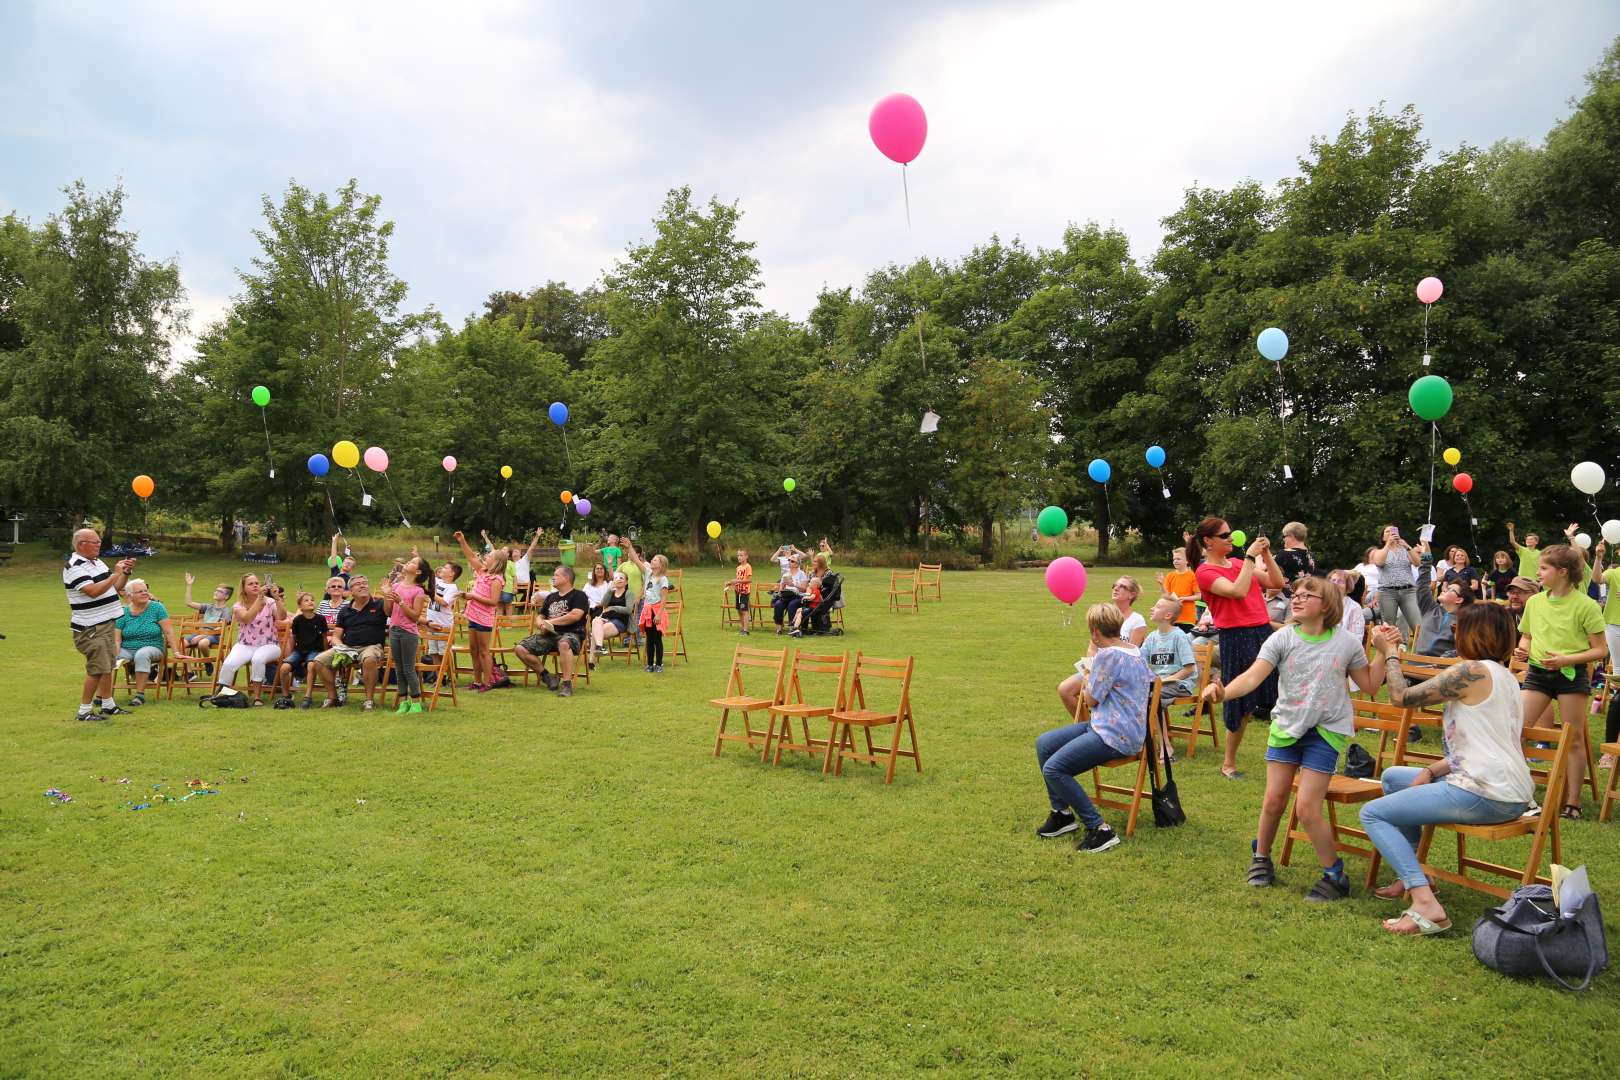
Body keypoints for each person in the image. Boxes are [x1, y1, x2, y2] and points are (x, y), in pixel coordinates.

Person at [1204, 576, 1387, 901]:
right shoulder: (1283, 638)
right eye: (1296, 595)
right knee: (1273, 800)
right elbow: (1252, 676)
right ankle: (1261, 857)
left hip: (1325, 731)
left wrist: (1384, 652)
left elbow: (1371, 685)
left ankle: (1335, 876)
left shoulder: (1345, 642)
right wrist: (1222, 692)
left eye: (1307, 595)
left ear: (1327, 605)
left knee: (1306, 808)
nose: (1297, 599)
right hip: (1287, 726)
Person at [1359, 605, 1534, 936]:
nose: (1453, 633)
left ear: (1473, 633)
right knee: (1394, 777)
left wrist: (1391, 652)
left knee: (1373, 814)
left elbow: (1401, 696)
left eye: (1458, 627)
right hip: (1507, 788)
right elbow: (1486, 741)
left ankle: (1426, 905)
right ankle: (1412, 875)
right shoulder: (1504, 676)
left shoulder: (1472, 671)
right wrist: (1432, 768)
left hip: (1485, 791)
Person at [1034, 603, 1154, 853]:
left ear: (1095, 632)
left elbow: (1090, 700)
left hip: (1115, 735)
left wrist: (1088, 676)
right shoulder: (1133, 649)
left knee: (1054, 769)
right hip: (1110, 726)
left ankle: (1100, 829)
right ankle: (1062, 815)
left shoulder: (1108, 656)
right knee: (1044, 743)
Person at [1514, 544, 1608, 819]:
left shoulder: (1587, 605)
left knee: (1574, 739)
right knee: (1514, 727)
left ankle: (1573, 803)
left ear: (1563, 572)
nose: (1538, 572)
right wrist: (1523, 648)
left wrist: (1567, 660)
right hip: (1538, 675)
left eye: (1544, 568)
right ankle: (1521, 791)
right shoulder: (1535, 602)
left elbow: (1600, 650)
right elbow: (1527, 636)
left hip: (1571, 676)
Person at [1190, 518, 1286, 780]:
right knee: (1240, 703)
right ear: (1208, 541)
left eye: (1230, 533)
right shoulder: (1205, 572)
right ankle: (1228, 763)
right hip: (1236, 637)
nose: (1231, 538)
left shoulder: (1236, 564)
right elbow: (1237, 591)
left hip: (1262, 632)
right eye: (1224, 535)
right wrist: (1251, 558)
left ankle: (1290, 757)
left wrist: (1266, 553)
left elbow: (1276, 582)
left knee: (1281, 695)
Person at [64, 529, 136, 720]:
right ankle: (84, 711)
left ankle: (108, 705)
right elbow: (93, 591)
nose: (99, 545)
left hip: (106, 623)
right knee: (96, 668)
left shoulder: (96, 562)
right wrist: (114, 574)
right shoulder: (74, 566)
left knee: (107, 665)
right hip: (91, 627)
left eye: (99, 542)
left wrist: (125, 573)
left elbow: (115, 587)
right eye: (94, 542)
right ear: (81, 544)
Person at [313, 574, 389, 709]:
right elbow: (336, 636)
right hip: (348, 647)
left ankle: (369, 700)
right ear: (350, 591)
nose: (363, 585)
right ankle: (333, 697)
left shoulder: (379, 604)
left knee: (369, 658)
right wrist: (341, 646)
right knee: (319, 660)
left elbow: (390, 612)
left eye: (365, 583)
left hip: (371, 646)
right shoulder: (345, 610)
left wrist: (388, 594)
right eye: (358, 584)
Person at [515, 565, 590, 697]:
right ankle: (547, 676)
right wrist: (541, 624)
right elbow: (540, 616)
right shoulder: (551, 597)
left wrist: (550, 622)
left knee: (564, 643)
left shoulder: (579, 595)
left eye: (556, 575)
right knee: (520, 648)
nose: (553, 577)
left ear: (566, 578)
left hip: (572, 634)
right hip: (549, 635)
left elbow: (575, 615)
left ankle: (567, 684)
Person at [217, 573, 287, 706]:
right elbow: (247, 618)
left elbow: (282, 617)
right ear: (243, 588)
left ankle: (257, 697)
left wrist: (277, 598)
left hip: (270, 644)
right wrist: (259, 599)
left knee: (258, 659)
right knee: (229, 664)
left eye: (257, 583)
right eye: (250, 584)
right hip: (245, 644)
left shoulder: (270, 602)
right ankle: (221, 694)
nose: (255, 585)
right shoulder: (238, 606)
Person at [113, 578, 182, 707]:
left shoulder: (157, 607)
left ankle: (139, 695)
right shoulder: (123, 611)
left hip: (153, 647)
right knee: (106, 658)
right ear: (130, 595)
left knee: (142, 654)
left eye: (146, 590)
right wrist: (115, 654)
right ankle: (102, 697)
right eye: (140, 591)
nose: (145, 593)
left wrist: (176, 652)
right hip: (127, 648)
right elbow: (117, 638)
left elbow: (169, 632)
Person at [453, 532, 509, 691]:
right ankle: (477, 681)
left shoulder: (497, 580)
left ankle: (488, 682)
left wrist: (472, 596)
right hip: (473, 616)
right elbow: (471, 558)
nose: (486, 557)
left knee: (484, 651)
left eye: (489, 555)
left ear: (496, 561)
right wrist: (462, 541)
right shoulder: (483, 572)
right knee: (473, 650)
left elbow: (493, 602)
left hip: (484, 619)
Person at [380, 557, 431, 714]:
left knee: (408, 668)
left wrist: (401, 602)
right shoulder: (396, 586)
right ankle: (403, 702)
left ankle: (416, 702)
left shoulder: (418, 591)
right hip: (394, 630)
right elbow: (388, 611)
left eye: (412, 562)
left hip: (408, 633)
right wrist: (388, 595)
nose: (408, 562)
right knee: (399, 668)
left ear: (417, 571)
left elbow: (415, 616)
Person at [1414, 541, 1475, 657]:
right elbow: (1422, 585)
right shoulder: (1430, 609)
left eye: (1450, 589)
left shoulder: (1465, 621)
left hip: (1443, 670)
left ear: (1459, 600)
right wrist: (1426, 558)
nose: (1445, 589)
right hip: (1415, 666)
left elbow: (1470, 650)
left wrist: (1453, 655)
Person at [1590, 542, 1620, 770]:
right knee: (1619, 685)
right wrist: (1598, 558)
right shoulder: (1614, 572)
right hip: (1614, 625)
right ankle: (1610, 752)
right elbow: (1597, 579)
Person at [626, 536, 673, 673]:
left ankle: (658, 664)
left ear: (661, 565)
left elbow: (664, 598)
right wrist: (629, 546)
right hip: (647, 609)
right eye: (652, 560)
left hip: (657, 610)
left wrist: (658, 614)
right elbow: (635, 559)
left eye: (655, 560)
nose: (652, 561)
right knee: (649, 638)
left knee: (657, 639)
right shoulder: (647, 574)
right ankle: (649, 664)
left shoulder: (663, 579)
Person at [275, 591, 328, 709]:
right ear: (300, 606)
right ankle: (286, 696)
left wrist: (325, 652)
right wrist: (292, 653)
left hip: (315, 650)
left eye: (312, 600)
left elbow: (324, 637)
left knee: (311, 665)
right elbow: (293, 638)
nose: (310, 602)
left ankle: (307, 696)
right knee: (284, 668)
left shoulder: (320, 619)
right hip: (299, 651)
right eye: (306, 600)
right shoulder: (298, 620)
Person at [1371, 525, 1423, 639]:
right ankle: (1391, 652)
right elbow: (1379, 562)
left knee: (1418, 623)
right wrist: (1388, 544)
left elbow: (1418, 563)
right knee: (1389, 626)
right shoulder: (1377, 551)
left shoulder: (1405, 549)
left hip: (1409, 591)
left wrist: (1407, 546)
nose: (1390, 533)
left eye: (1393, 531)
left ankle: (1425, 652)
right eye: (1387, 532)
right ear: (1383, 537)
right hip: (1387, 592)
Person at [181, 573, 233, 668]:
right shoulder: (208, 607)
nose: (215, 592)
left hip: (214, 636)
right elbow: (189, 603)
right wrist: (189, 585)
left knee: (202, 643)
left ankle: (207, 662)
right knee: (181, 644)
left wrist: (202, 636)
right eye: (216, 590)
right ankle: (189, 672)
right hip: (199, 633)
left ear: (226, 597)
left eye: (219, 591)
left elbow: (219, 628)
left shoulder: (226, 611)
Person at [425, 561, 462, 669]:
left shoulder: (453, 588)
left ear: (452, 574)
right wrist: (416, 556)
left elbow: (444, 602)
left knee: (443, 652)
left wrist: (430, 593)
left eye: (446, 568)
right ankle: (439, 677)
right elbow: (428, 572)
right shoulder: (438, 581)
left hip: (443, 625)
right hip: (431, 623)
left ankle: (449, 675)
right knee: (433, 651)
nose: (442, 568)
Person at [592, 570, 636, 658]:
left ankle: (591, 661)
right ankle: (599, 648)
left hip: (620, 621)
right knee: (596, 621)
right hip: (606, 619)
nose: (618, 579)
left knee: (594, 633)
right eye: (616, 578)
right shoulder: (611, 593)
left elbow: (628, 610)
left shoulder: (629, 593)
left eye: (621, 578)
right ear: (613, 581)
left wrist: (613, 608)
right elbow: (604, 604)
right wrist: (609, 590)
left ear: (626, 582)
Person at [1157, 547, 1201, 631]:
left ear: (1187, 560)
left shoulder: (1192, 576)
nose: (1175, 561)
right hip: (1172, 616)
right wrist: (1162, 584)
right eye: (1174, 559)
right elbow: (1166, 595)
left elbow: (1198, 596)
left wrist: (1184, 598)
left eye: (1178, 559)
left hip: (1187, 618)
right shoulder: (1170, 575)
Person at [1274, 521, 1316, 594]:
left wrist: (1259, 556)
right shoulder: (1311, 556)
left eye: (1284, 536)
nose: (1283, 539)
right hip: (1305, 596)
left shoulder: (1284, 554)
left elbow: (1265, 570)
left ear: (1291, 536)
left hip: (1286, 598)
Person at [772, 555, 808, 634]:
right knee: (778, 604)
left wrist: (794, 585)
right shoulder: (785, 574)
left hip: (797, 596)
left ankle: (792, 627)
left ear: (797, 564)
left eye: (792, 561)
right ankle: (779, 628)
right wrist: (784, 585)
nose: (789, 562)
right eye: (789, 560)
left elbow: (804, 589)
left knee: (792, 605)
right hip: (786, 595)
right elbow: (781, 589)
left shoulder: (802, 574)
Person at [1328, 569, 1365, 644]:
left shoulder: (1354, 607)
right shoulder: (1320, 603)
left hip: (1342, 650)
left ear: (1347, 586)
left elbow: (1356, 639)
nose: (1335, 583)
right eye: (1333, 580)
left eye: (1340, 581)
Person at [1110, 576, 1149, 647]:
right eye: (1115, 585)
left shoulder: (1137, 620)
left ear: (1132, 595)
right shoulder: (1103, 615)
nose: (1115, 589)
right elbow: (1093, 648)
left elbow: (1131, 653)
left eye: (1122, 587)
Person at [726, 548, 754, 635]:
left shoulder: (748, 567)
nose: (739, 557)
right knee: (739, 610)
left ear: (746, 556)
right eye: (738, 555)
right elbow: (738, 579)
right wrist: (730, 583)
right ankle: (742, 628)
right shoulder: (738, 568)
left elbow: (749, 580)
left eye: (741, 555)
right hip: (737, 591)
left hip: (744, 592)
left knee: (744, 610)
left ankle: (746, 630)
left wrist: (737, 581)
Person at [1353, 546, 1382, 618]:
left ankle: (1366, 614)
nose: (1375, 553)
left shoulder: (1380, 566)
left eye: (1377, 552)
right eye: (1373, 552)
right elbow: (1350, 574)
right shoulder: (1360, 566)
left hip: (1373, 591)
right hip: (1358, 590)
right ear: (1368, 554)